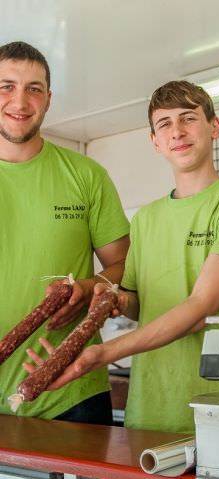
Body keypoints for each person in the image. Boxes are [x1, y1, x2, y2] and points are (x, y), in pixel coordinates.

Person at [35, 80, 219, 433]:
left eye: (188, 118)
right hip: (149, 408)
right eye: (165, 124)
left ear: (214, 126)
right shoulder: (146, 219)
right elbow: (139, 304)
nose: (177, 131)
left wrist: (103, 353)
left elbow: (200, 309)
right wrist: (116, 299)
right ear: (155, 141)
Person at [0, 41, 130, 424]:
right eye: (6, 86)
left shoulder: (86, 175)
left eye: (33, 89)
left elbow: (126, 264)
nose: (20, 101)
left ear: (49, 98)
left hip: (73, 391)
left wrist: (91, 287)